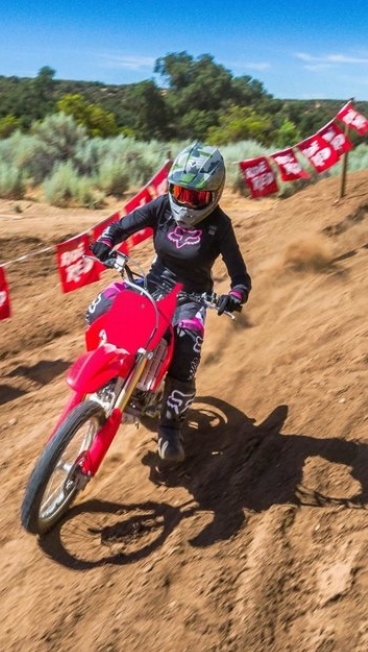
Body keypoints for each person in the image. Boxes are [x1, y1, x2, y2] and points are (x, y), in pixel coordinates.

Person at [87, 142, 252, 464]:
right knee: (98, 309)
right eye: (181, 192)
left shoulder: (220, 225)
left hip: (192, 297)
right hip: (153, 284)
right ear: (171, 188)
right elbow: (121, 226)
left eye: (196, 197)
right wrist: (106, 241)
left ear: (215, 194)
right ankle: (107, 371)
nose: (186, 202)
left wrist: (234, 297)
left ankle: (169, 428)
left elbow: (241, 278)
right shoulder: (162, 206)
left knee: (187, 346)